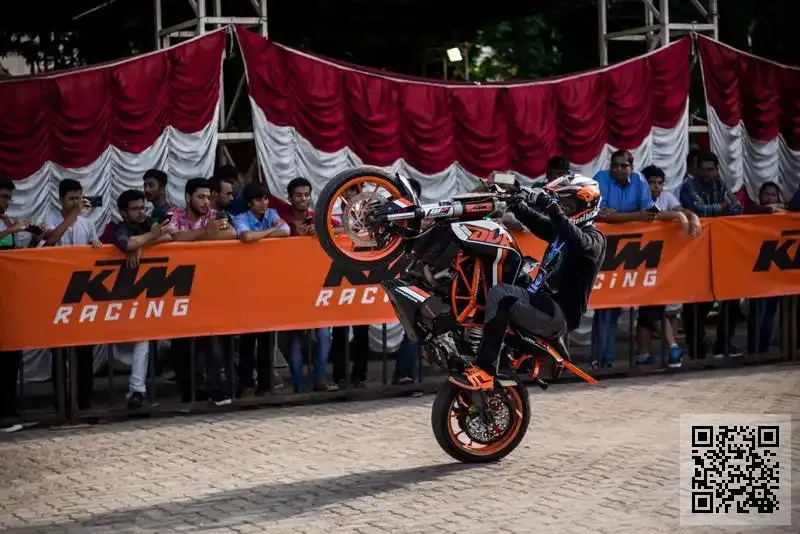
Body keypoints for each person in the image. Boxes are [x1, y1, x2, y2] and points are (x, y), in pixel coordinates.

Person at [452, 174, 607, 390]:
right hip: (540, 298)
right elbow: (536, 221)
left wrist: (551, 207)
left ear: (586, 206)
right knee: (502, 272)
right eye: (561, 204)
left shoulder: (595, 238)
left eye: (567, 205)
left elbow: (579, 241)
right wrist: (516, 202)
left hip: (557, 314)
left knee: (500, 295)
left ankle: (486, 370)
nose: (563, 208)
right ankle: (482, 348)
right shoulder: (560, 232)